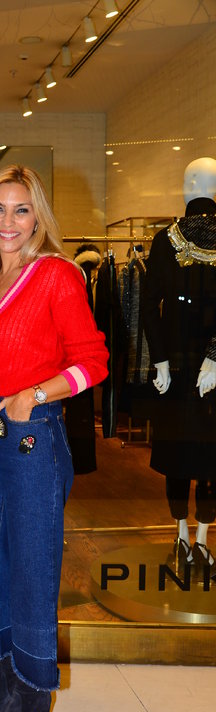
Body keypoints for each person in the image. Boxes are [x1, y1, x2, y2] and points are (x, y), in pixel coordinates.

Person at [0, 165, 108, 712]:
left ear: (38, 215)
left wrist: (33, 395)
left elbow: (93, 361)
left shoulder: (57, 274)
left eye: (21, 209)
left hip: (30, 434)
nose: (8, 221)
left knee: (32, 565)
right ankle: (7, 677)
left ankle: (33, 686)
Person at [143, 157, 216, 568]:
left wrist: (161, 360)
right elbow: (149, 307)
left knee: (184, 452)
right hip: (199, 367)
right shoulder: (164, 240)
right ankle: (197, 537)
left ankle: (186, 534)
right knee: (202, 453)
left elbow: (149, 308)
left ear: (188, 187)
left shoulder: (162, 241)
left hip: (179, 363)